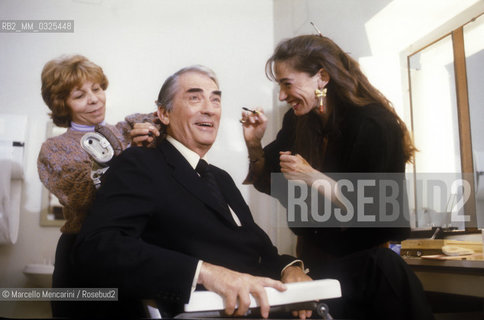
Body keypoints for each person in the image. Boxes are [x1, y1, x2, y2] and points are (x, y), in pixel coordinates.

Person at [73, 65, 312, 319]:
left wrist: (291, 268)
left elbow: (259, 250)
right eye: (195, 98)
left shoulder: (221, 179)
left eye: (215, 99)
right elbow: (96, 248)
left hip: (265, 304)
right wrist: (204, 273)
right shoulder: (140, 164)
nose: (209, 108)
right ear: (163, 113)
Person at [241, 35, 434, 319]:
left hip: (366, 270)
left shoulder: (375, 124)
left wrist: (313, 178)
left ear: (322, 77)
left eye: (287, 83)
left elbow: (379, 209)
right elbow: (268, 180)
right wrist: (254, 143)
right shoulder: (297, 121)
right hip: (311, 267)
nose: (281, 95)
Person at [37, 54, 160, 317]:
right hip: (81, 254)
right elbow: (80, 193)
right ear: (62, 105)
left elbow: (171, 115)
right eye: (79, 95)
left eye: (97, 88)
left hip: (132, 246)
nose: (94, 99)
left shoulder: (128, 128)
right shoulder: (55, 149)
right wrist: (130, 158)